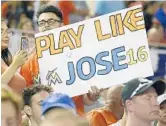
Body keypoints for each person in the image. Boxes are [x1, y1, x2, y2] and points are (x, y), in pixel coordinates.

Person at [20, 4, 101, 116]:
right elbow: (27, 100)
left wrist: (92, 96)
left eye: (51, 21)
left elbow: (86, 99)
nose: (46, 25)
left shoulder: (77, 56)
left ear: (61, 25)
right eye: (42, 23)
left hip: (73, 118)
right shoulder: (29, 62)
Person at [1, 19, 27, 94]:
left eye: (7, 31)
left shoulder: (5, 59)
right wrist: (15, 65)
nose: (6, 35)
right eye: (1, 31)